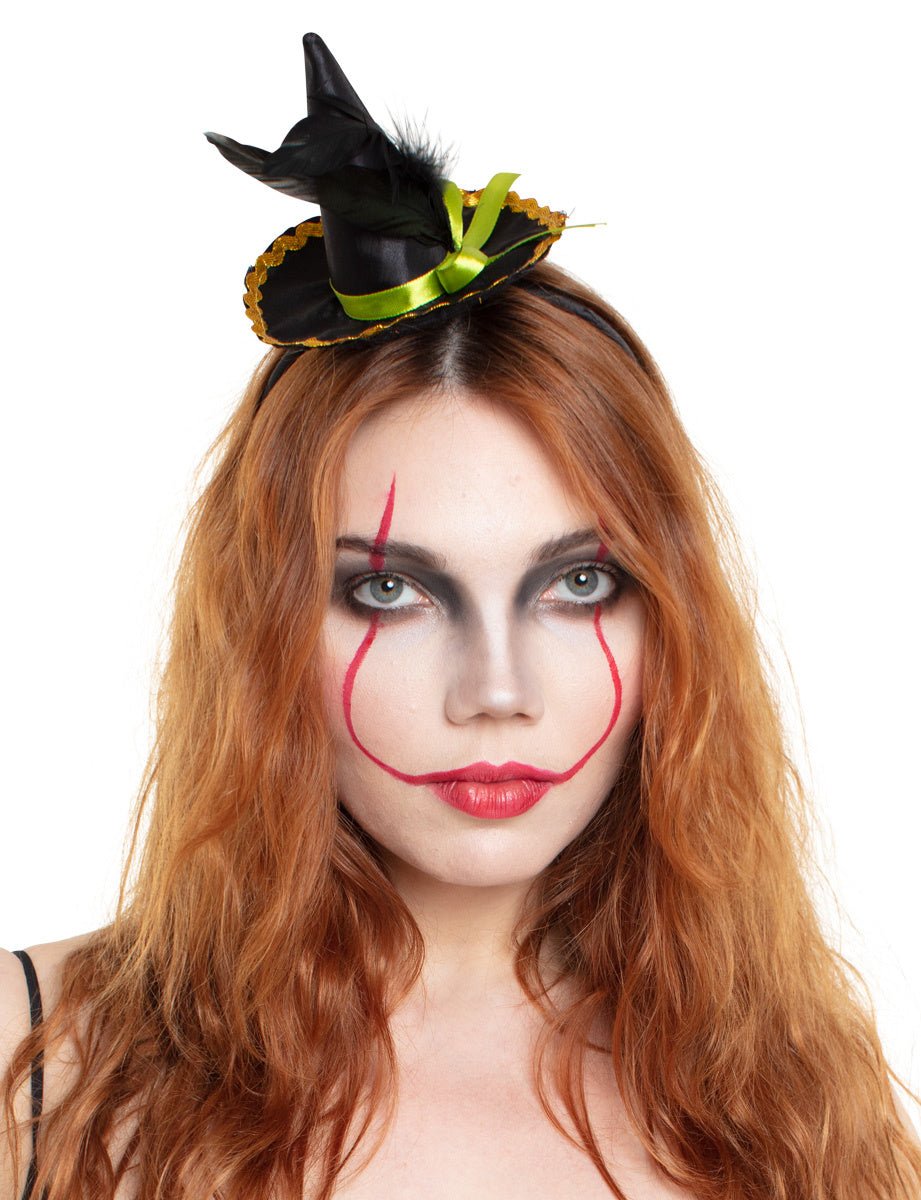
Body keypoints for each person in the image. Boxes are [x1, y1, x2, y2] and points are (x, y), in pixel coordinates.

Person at [2, 32, 919, 1200]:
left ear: (670, 621)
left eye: (577, 585)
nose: (497, 690)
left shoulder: (789, 1098)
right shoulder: (35, 1068)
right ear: (267, 625)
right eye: (391, 590)